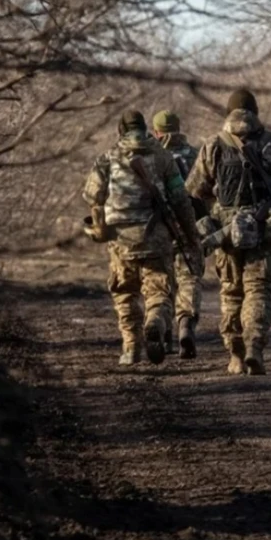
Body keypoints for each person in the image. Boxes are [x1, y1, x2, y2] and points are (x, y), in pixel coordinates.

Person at [186, 90, 271, 375]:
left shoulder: (213, 145)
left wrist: (218, 210)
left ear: (228, 112)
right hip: (263, 229)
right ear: (256, 112)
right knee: (258, 292)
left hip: (226, 234)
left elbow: (195, 190)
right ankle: (254, 348)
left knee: (232, 294)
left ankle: (235, 355)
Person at [83, 111, 202, 365]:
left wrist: (100, 228)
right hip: (156, 237)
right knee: (159, 290)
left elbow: (93, 196)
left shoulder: (108, 158)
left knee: (124, 291)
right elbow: (181, 200)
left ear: (120, 130)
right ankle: (156, 322)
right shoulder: (163, 156)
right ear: (145, 128)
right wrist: (190, 235)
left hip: (121, 239)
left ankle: (132, 348)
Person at [151, 110, 207, 359]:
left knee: (160, 281)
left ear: (156, 132)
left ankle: (160, 328)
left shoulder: (152, 157)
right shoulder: (196, 155)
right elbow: (207, 193)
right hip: (190, 226)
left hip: (158, 229)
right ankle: (185, 323)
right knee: (189, 278)